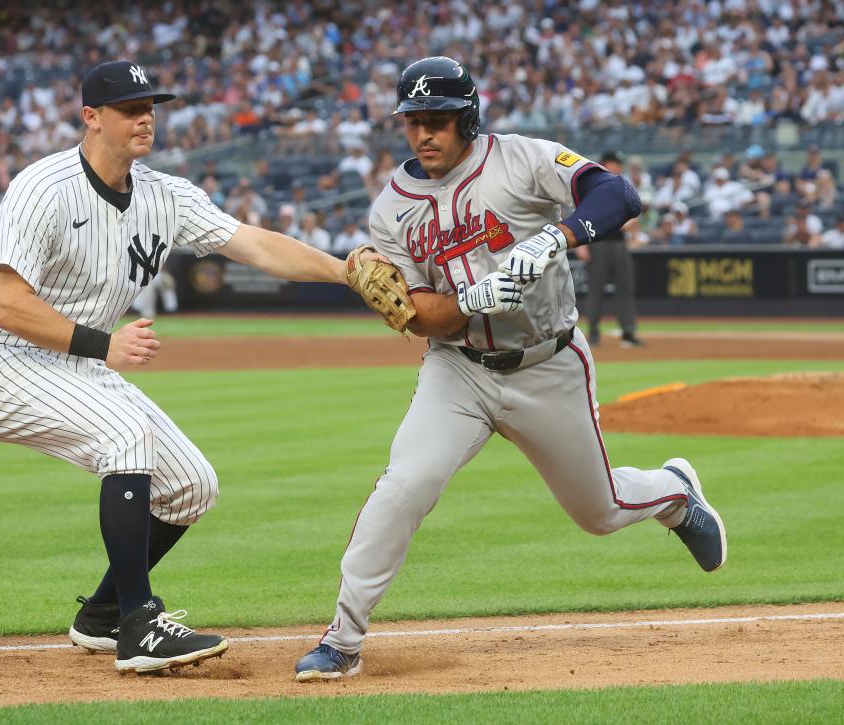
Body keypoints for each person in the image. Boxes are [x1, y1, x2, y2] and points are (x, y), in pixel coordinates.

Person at [0, 60, 380, 676]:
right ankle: (139, 625)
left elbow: (251, 242)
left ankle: (103, 613)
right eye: (129, 108)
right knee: (126, 436)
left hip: (70, 361)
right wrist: (104, 346)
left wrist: (344, 270)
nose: (145, 117)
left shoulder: (163, 196)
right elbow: (4, 303)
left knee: (191, 484)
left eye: (151, 106)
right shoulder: (44, 186)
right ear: (91, 117)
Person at [293, 56, 728, 682]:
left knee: (599, 512)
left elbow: (618, 195)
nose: (424, 134)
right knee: (404, 485)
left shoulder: (522, 159)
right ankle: (342, 638)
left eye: (438, 120)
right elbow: (424, 319)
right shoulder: (391, 209)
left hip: (548, 363)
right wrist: (473, 300)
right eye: (413, 121)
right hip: (459, 370)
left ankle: (676, 493)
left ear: (467, 117)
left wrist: (556, 237)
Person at [577, 151, 643, 348]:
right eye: (615, 163)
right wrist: (581, 245)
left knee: (625, 288)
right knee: (596, 290)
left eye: (619, 163)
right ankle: (594, 333)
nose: (618, 167)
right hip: (598, 242)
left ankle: (628, 332)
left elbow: (634, 215)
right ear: (605, 163)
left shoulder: (624, 185)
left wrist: (629, 230)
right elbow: (580, 214)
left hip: (618, 241)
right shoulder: (591, 183)